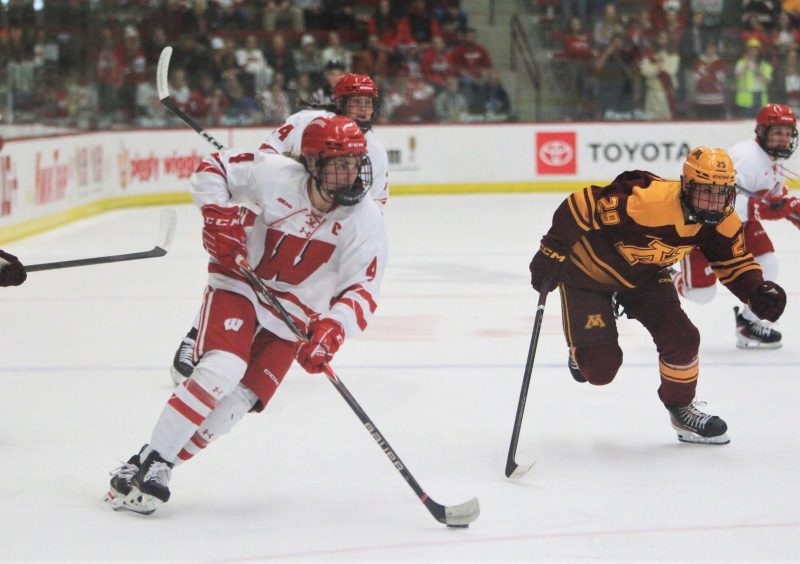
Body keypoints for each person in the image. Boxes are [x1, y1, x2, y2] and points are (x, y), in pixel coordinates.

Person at [105, 115, 388, 514]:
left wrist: (332, 329)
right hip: (241, 283)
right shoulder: (274, 174)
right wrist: (217, 215)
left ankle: (149, 463)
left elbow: (363, 290)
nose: (352, 175)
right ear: (312, 163)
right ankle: (158, 461)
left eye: (356, 163)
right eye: (340, 165)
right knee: (222, 368)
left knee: (237, 404)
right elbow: (214, 168)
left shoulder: (366, 221)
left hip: (294, 317)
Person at [529, 147, 786, 445]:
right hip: (589, 275)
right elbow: (582, 203)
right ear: (686, 186)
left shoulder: (721, 220)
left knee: (683, 338)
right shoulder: (647, 202)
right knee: (599, 371)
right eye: (706, 191)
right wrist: (552, 250)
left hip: (646, 276)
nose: (714, 202)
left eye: (722, 193)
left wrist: (756, 291)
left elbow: (734, 263)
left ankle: (682, 410)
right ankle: (581, 350)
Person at [169, 73, 389, 384]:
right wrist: (300, 172)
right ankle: (197, 338)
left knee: (302, 292)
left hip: (324, 227)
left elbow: (373, 208)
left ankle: (260, 352)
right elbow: (267, 160)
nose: (362, 110)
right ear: (339, 102)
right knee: (237, 277)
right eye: (356, 102)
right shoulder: (306, 121)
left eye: (368, 103)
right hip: (276, 214)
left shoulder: (375, 152)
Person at [674, 104, 798, 348]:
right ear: (762, 132)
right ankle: (667, 276)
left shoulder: (772, 160)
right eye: (777, 133)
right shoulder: (747, 158)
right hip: (704, 230)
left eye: (788, 133)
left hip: (739, 226)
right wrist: (763, 209)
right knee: (701, 294)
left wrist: (787, 208)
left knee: (767, 265)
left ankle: (749, 324)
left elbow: (778, 200)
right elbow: (717, 205)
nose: (783, 139)